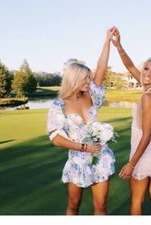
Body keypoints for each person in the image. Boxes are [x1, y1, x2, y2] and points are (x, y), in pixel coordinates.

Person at [47, 28, 116, 215]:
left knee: (101, 207)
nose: (89, 81)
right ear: (74, 78)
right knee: (73, 206)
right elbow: (56, 139)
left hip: (101, 158)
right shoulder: (59, 105)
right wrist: (85, 148)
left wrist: (107, 41)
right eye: (85, 78)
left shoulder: (92, 93)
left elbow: (101, 68)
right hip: (77, 161)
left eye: (89, 77)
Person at [111, 28, 151, 215]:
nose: (146, 74)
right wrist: (119, 46)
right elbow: (130, 66)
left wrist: (131, 164)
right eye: (145, 68)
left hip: (144, 155)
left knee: (137, 202)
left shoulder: (148, 98)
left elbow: (145, 136)